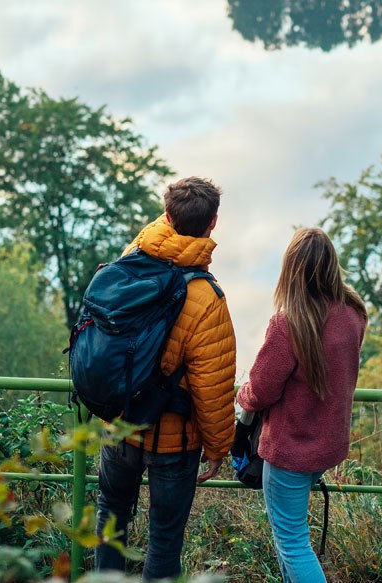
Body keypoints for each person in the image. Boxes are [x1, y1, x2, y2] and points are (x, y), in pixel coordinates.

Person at [94, 176, 237, 580]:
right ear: (214, 223)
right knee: (164, 538)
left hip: (119, 424)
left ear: (167, 217)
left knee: (111, 518)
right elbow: (213, 389)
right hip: (174, 440)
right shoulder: (209, 300)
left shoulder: (131, 260)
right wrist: (218, 447)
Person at [237, 227, 368, 583]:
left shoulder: (287, 324)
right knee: (290, 538)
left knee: (293, 542)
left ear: (291, 269)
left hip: (291, 450)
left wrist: (241, 394)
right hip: (327, 445)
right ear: (330, 265)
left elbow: (261, 390)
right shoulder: (353, 313)